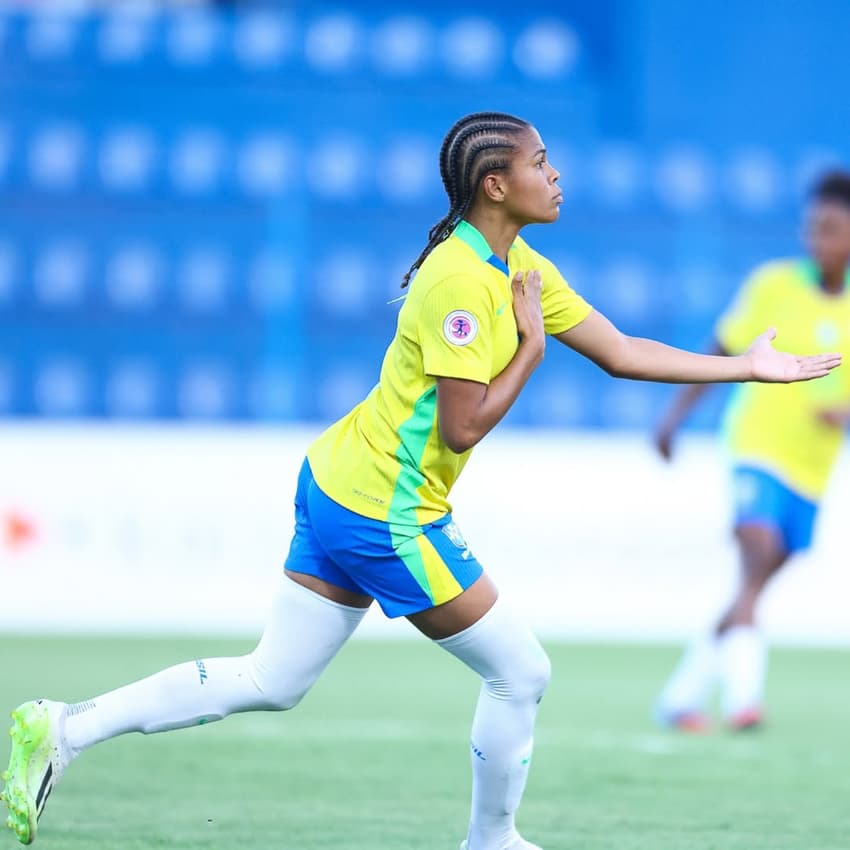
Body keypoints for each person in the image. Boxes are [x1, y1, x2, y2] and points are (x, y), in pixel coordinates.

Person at [1, 112, 841, 850]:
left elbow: (622, 351)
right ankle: (491, 841)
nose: (557, 175)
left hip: (341, 482)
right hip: (383, 509)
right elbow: (461, 428)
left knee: (272, 680)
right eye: (541, 162)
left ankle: (63, 729)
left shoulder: (514, 263)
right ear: (495, 183)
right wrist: (531, 352)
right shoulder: (460, 283)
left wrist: (747, 367)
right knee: (521, 671)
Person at [653, 171, 850, 733]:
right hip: (757, 446)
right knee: (755, 555)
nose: (816, 239)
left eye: (830, 228)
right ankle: (745, 700)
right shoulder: (773, 285)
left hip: (812, 468)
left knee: (750, 586)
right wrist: (674, 417)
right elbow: (721, 349)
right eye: (812, 227)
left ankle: (680, 696)